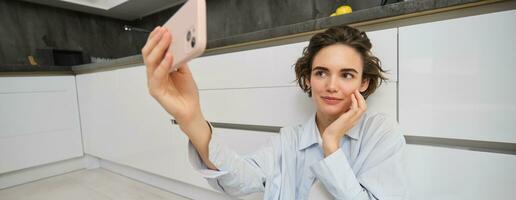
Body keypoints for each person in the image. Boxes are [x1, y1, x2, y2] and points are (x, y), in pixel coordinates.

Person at [142, 25, 408, 200]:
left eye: (347, 75)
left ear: (364, 82)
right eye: (321, 73)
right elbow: (241, 179)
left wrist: (331, 146)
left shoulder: (382, 134)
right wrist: (192, 119)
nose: (331, 86)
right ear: (308, 79)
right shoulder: (291, 139)